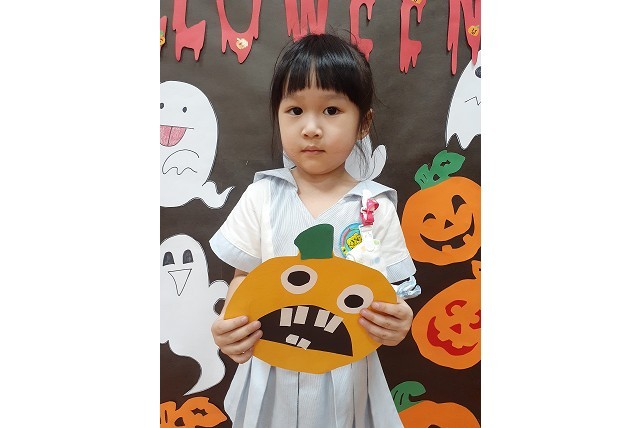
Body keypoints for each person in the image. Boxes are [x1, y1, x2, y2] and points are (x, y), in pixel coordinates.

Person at [210, 33, 419, 428]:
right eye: (294, 110)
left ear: (363, 123)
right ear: (278, 116)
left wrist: (398, 322)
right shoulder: (262, 196)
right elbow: (244, 278)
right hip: (271, 368)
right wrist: (230, 327)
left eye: (331, 110)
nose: (310, 128)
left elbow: (391, 296)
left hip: (346, 374)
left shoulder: (375, 207)